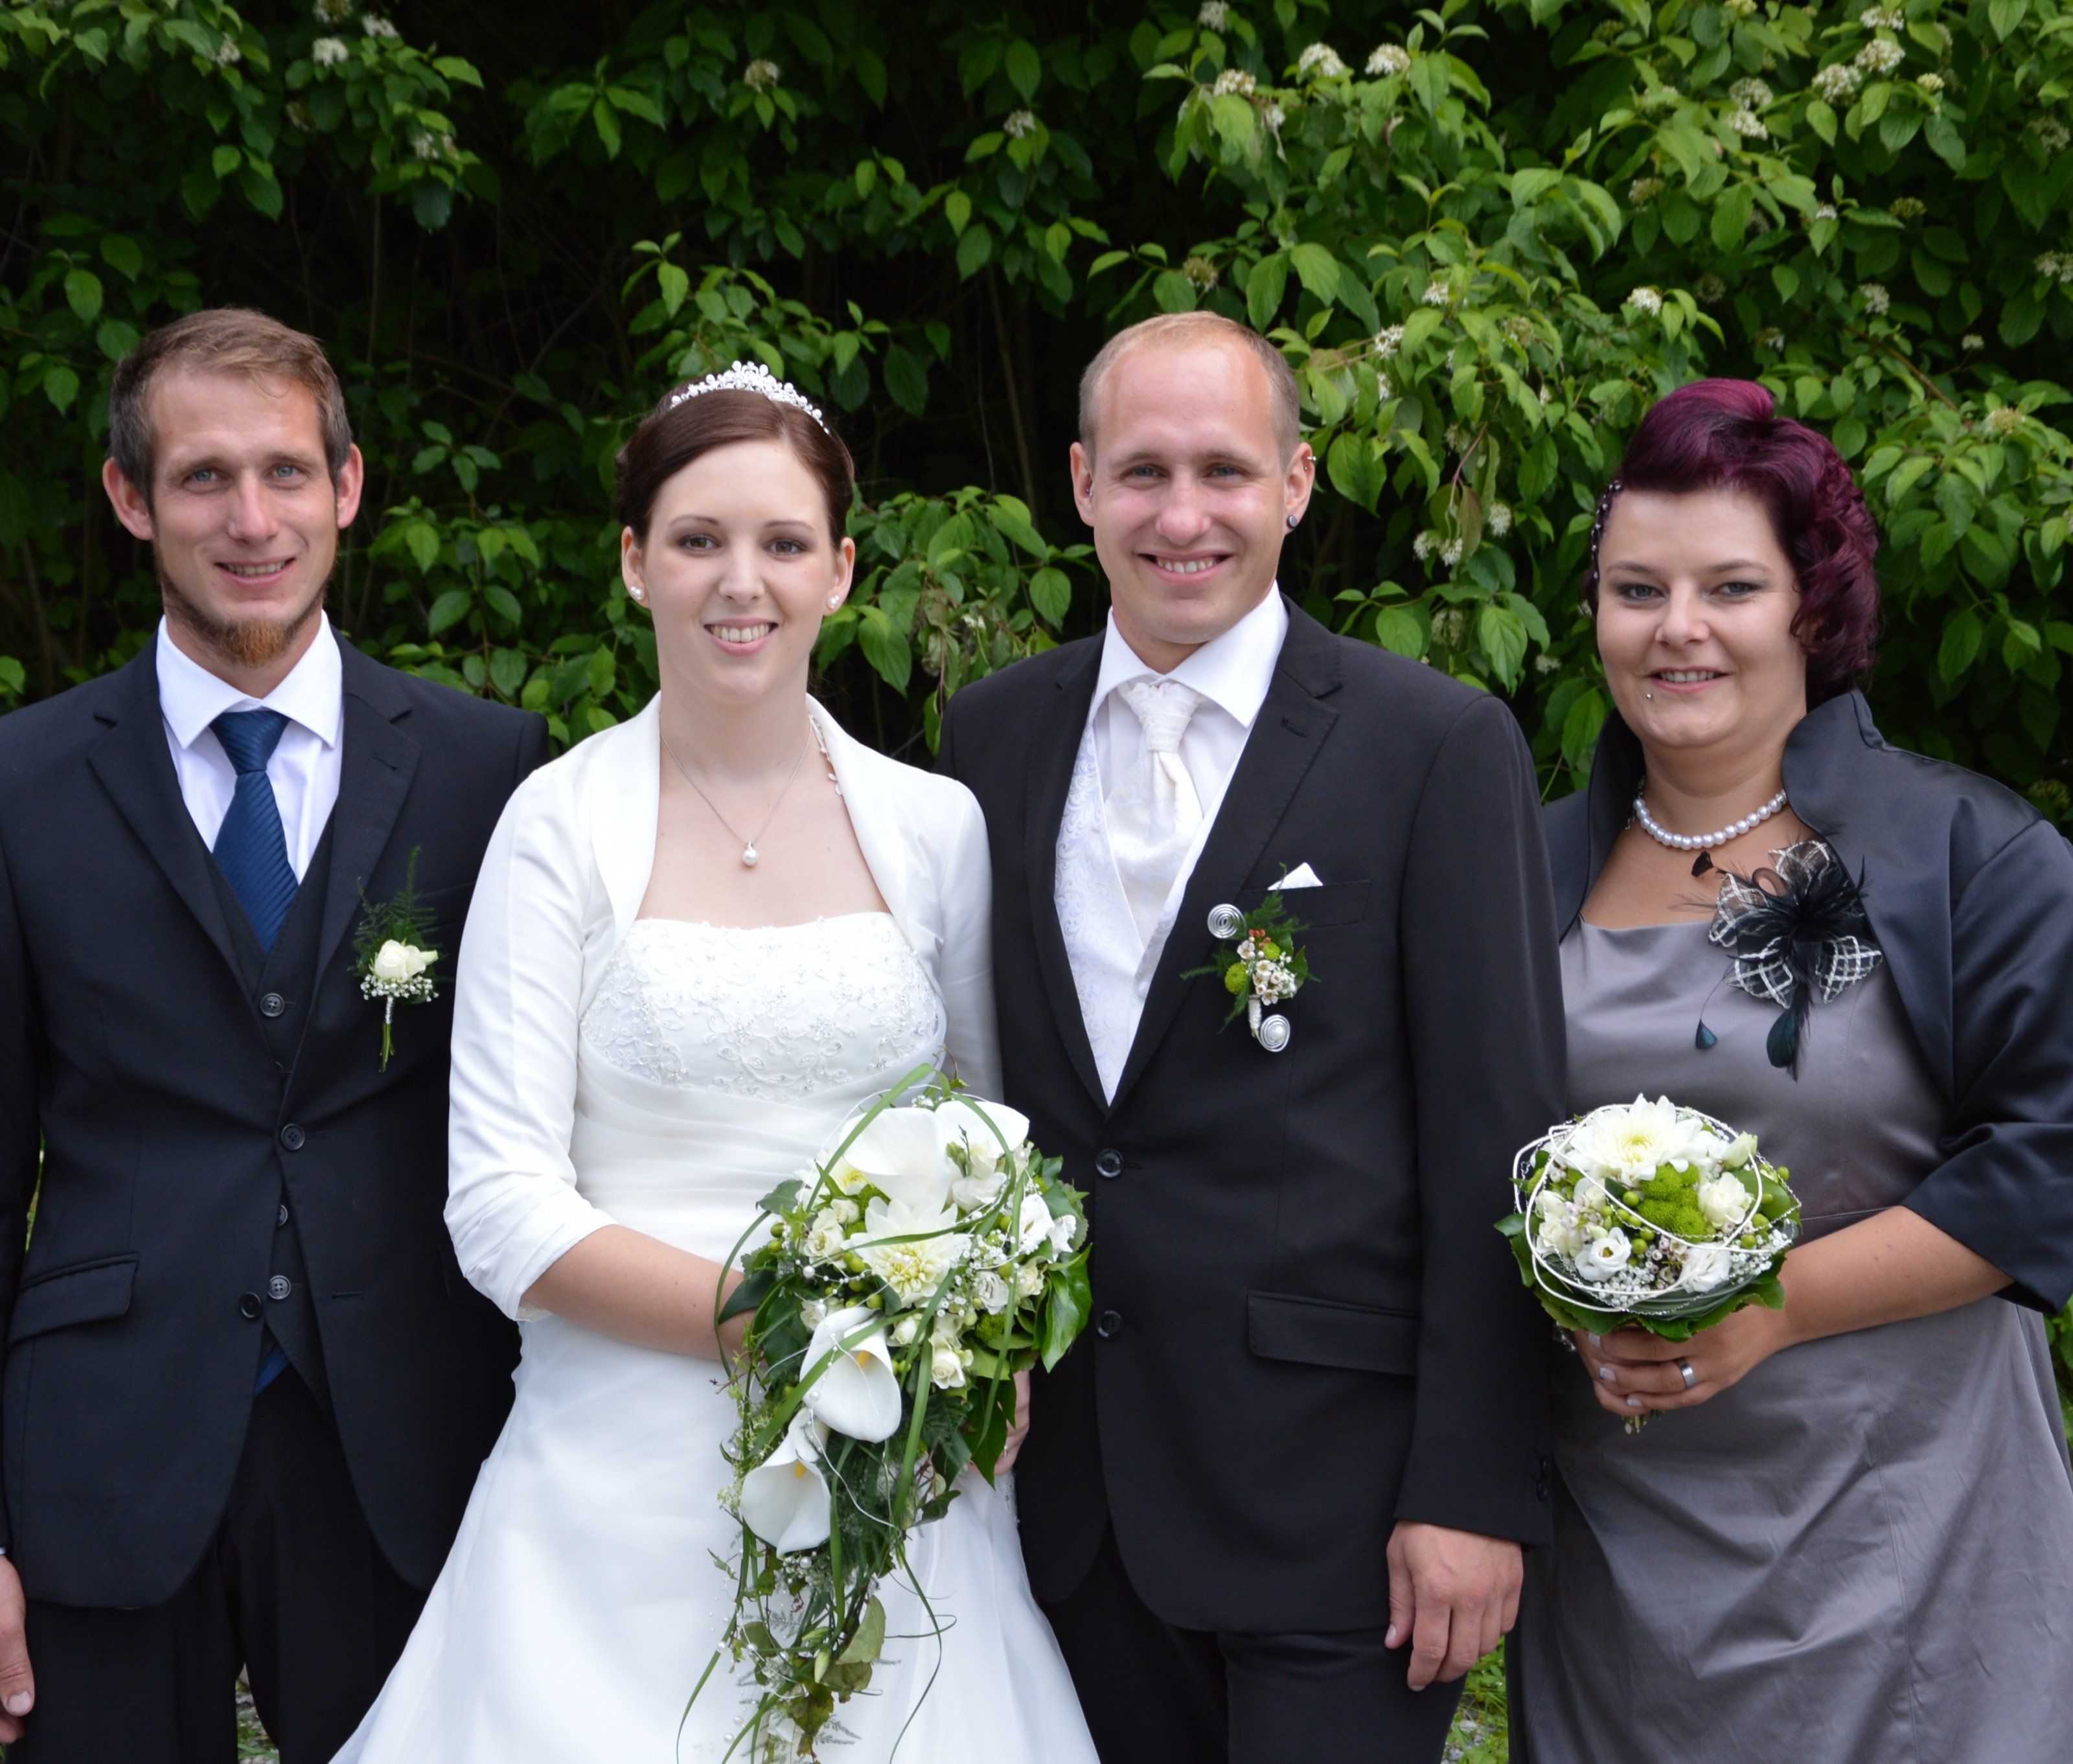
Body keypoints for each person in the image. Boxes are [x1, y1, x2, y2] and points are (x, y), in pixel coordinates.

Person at [333, 363, 1097, 1762]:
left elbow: (994, 1141)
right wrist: (789, 1326)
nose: (739, 582)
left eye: (783, 542)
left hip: (895, 1480)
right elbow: (500, 1203)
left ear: (841, 571)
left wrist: (977, 1345)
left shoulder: (935, 828)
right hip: (608, 1490)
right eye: (696, 540)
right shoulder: (554, 827)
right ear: (634, 565)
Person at [937, 311, 1566, 1763]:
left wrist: (1473, 1488)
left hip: (1337, 1507)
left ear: (1294, 483)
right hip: (1069, 1498)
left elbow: (1498, 1135)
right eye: (1142, 471)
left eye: (1223, 471)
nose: (1181, 516)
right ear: (1082, 484)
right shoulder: (992, 737)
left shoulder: (1432, 744)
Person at [0, 308, 548, 1762]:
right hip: (102, 1454)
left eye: (288, 475)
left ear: (350, 486)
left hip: (411, 1447)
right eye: (203, 479)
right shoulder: (22, 782)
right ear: (131, 500)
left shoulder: (492, 770)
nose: (253, 521)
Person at [1514, 378, 2073, 1762]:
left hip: (1911, 1536)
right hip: (1618, 1554)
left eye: (1730, 587)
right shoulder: (1514, 871)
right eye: (1635, 589)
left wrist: (1768, 1307)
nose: (1676, 629)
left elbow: (2052, 1154)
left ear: (1810, 614)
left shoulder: (1969, 855)